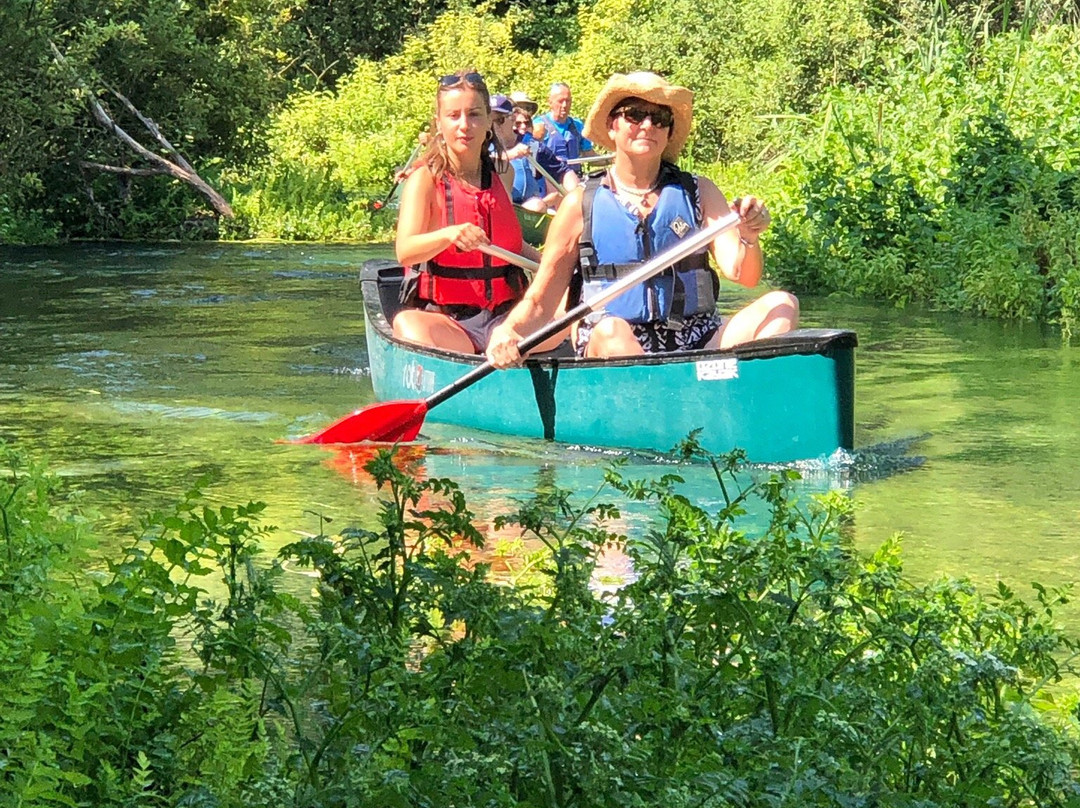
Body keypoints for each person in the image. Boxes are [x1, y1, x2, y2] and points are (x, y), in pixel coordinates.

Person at [486, 71, 799, 366]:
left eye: (660, 118)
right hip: (610, 335)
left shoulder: (698, 191)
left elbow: (743, 274)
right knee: (613, 332)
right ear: (613, 125)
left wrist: (749, 235)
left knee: (782, 303)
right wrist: (506, 332)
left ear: (668, 132)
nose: (648, 124)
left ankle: (741, 397)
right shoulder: (580, 203)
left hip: (693, 336)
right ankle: (656, 407)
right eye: (634, 114)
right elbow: (541, 300)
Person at [393, 70, 543, 354]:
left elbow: (509, 244)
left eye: (474, 115)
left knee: (568, 313)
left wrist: (552, 265)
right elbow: (406, 251)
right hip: (449, 321)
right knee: (406, 324)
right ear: (440, 123)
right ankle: (475, 351)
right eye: (453, 116)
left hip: (506, 320)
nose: (465, 125)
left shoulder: (503, 174)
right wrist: (450, 234)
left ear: (489, 121)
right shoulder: (424, 180)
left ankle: (502, 343)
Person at [489, 94, 578, 212]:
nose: (494, 126)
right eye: (489, 121)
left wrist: (577, 195)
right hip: (496, 207)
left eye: (499, 120)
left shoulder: (533, 146)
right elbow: (482, 162)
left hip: (527, 210)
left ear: (512, 119)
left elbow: (563, 172)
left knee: (537, 205)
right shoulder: (482, 144)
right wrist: (510, 155)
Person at [535, 82, 595, 175]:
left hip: (575, 179)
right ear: (550, 102)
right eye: (560, 101)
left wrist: (613, 159)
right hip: (551, 181)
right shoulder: (539, 125)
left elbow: (589, 155)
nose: (564, 105)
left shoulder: (577, 125)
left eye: (568, 101)